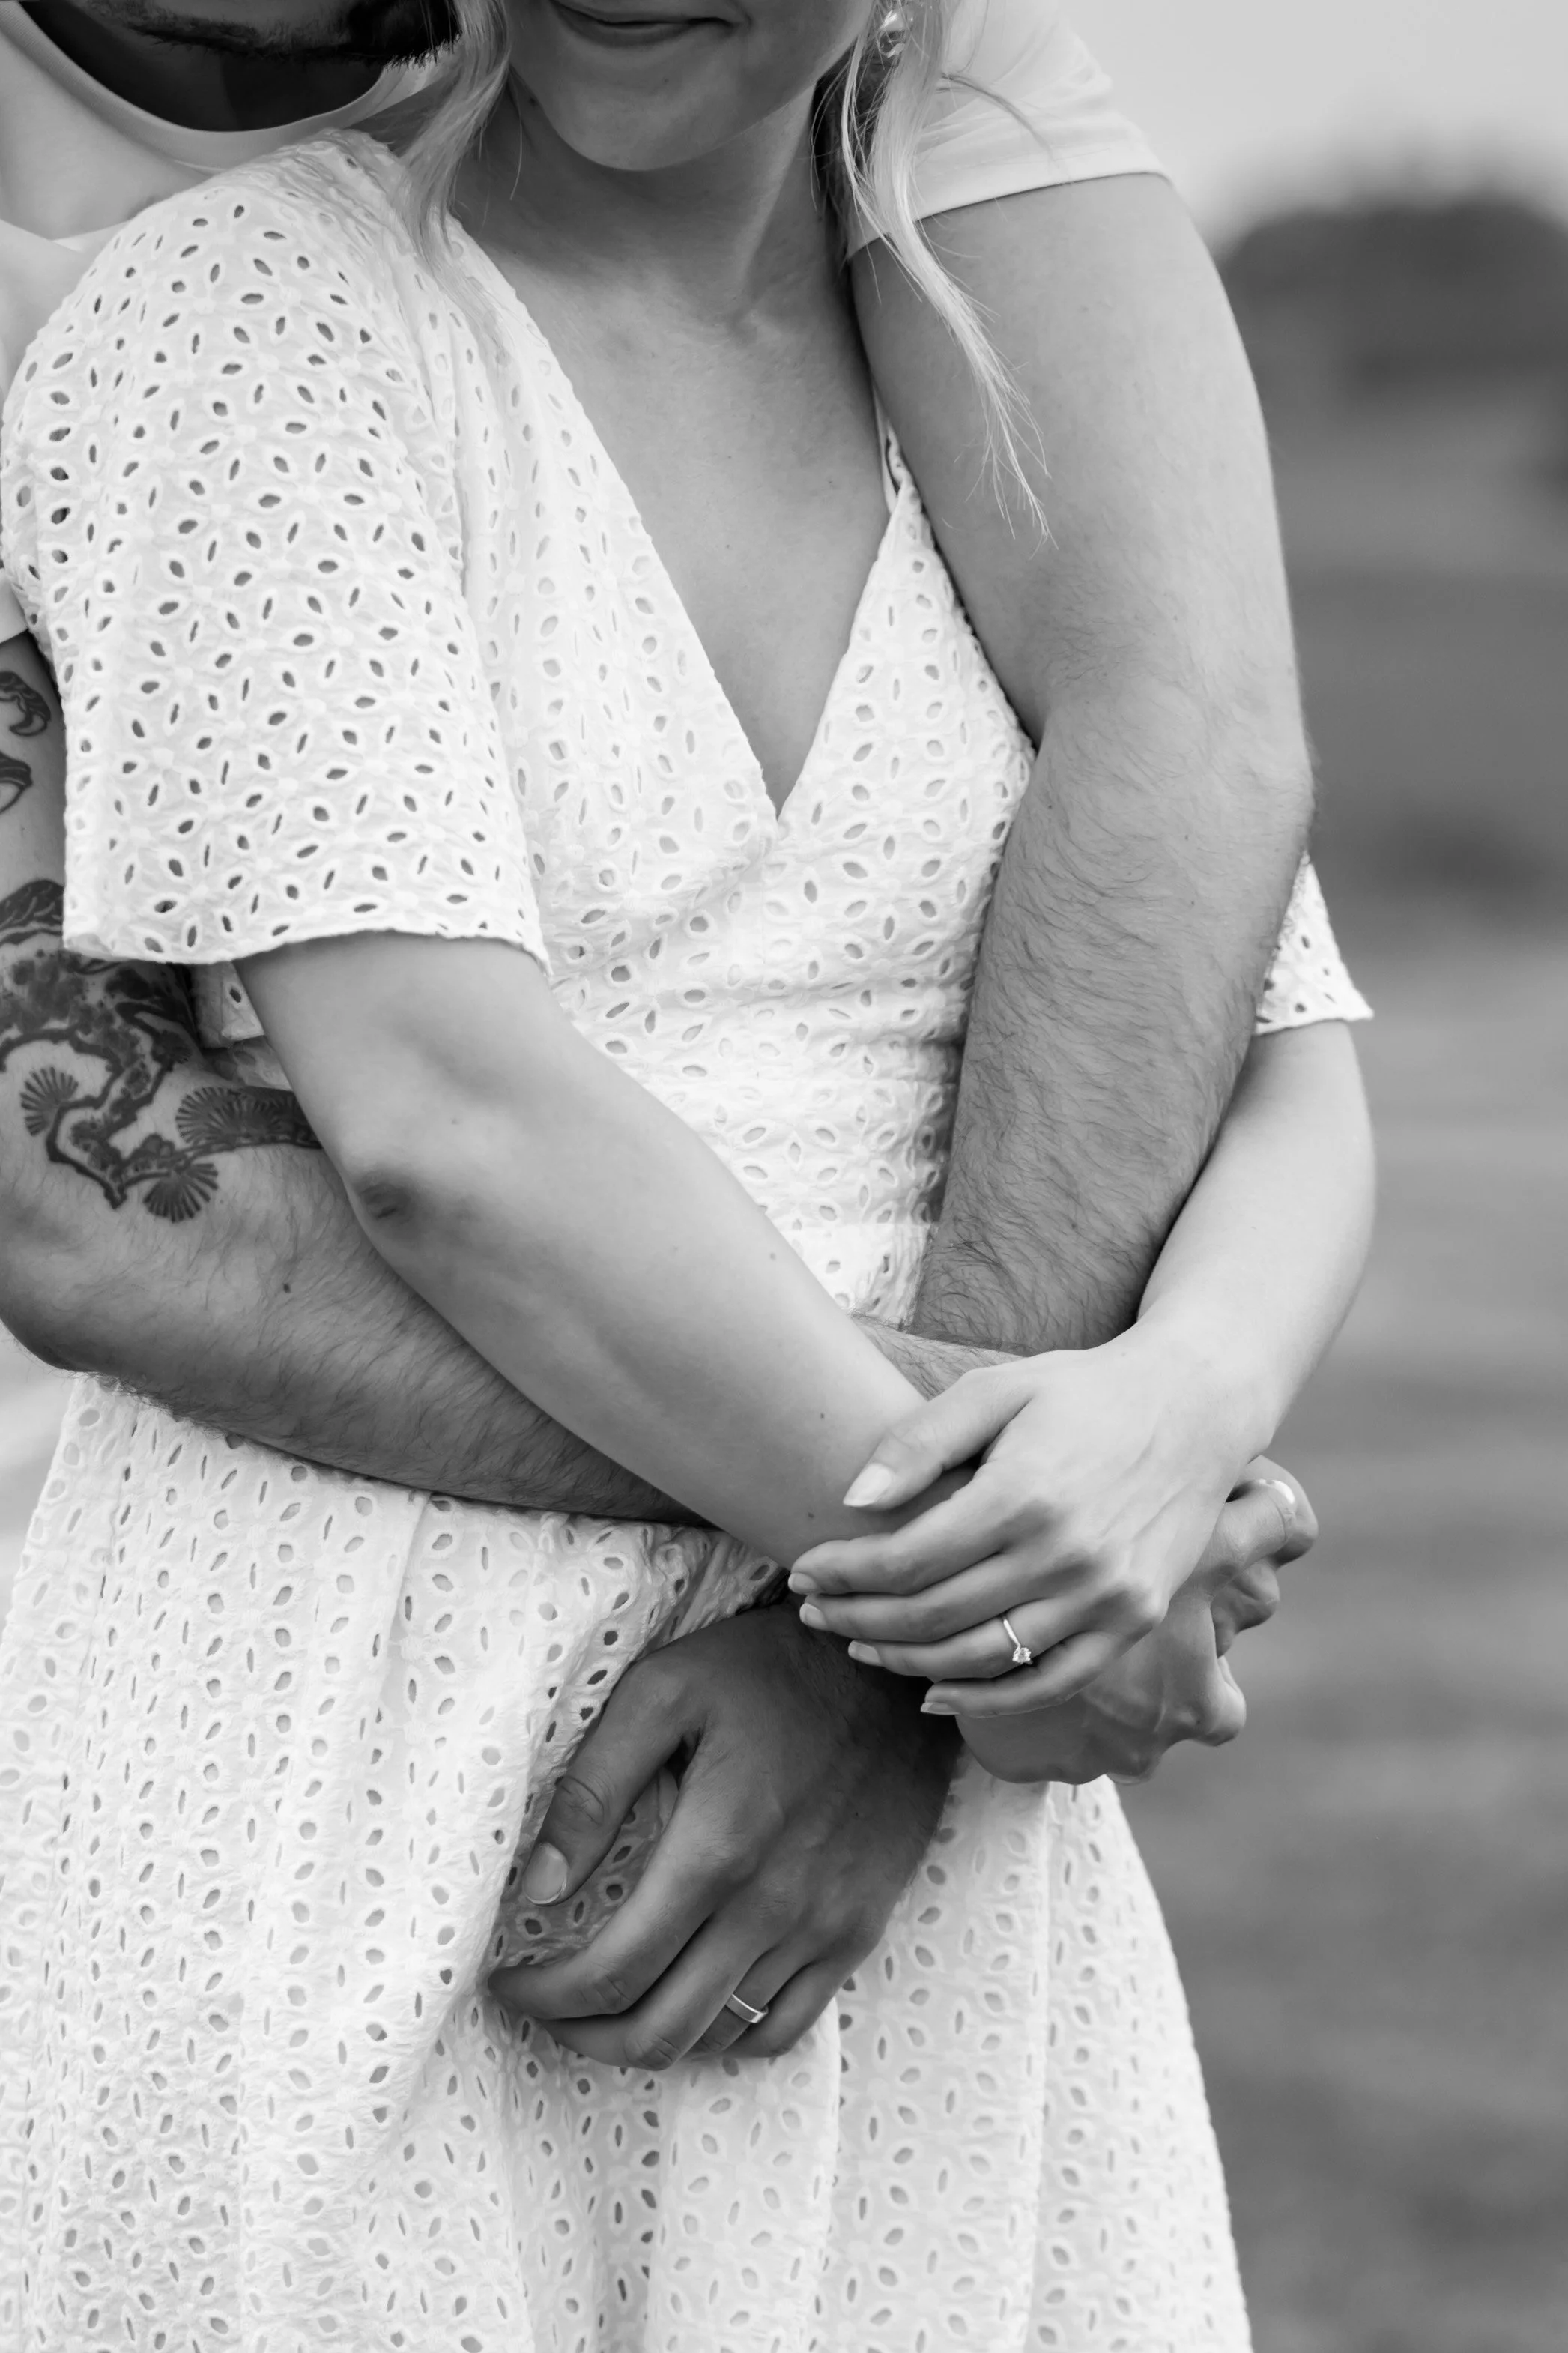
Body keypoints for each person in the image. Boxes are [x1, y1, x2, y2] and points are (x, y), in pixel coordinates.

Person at [0, 2, 1374, 2346]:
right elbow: (434, 1129)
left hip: (929, 1820)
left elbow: (1261, 1012)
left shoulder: (982, 357)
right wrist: (1001, 1576)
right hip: (352, 1734)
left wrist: (1169, 1426)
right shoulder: (242, 315)